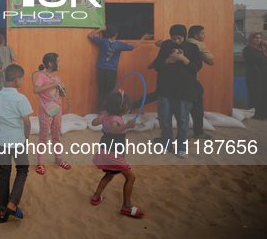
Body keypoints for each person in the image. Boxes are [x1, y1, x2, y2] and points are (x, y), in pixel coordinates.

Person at [0, 64, 33, 223]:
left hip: (2, 139)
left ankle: (2, 210)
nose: (22, 81)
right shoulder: (21, 98)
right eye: (22, 79)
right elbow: (27, 124)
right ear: (17, 80)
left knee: (4, 172)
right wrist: (26, 139)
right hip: (18, 140)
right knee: (22, 169)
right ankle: (12, 203)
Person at [91, 91, 144, 218]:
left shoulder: (106, 116)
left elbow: (93, 123)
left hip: (104, 150)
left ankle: (96, 196)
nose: (129, 107)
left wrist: (103, 116)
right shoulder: (117, 119)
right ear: (121, 107)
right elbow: (113, 130)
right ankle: (126, 206)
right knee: (130, 177)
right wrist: (127, 126)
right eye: (127, 105)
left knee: (109, 174)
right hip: (113, 154)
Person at [153, 24, 202, 158]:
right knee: (166, 118)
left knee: (183, 119)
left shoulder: (192, 47)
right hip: (166, 88)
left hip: (185, 90)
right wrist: (167, 61)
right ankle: (166, 145)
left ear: (184, 36)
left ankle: (181, 148)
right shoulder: (166, 46)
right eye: (174, 38)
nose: (177, 41)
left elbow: (196, 67)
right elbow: (157, 66)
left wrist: (183, 59)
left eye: (179, 38)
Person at [88, 25, 152, 112]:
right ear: (116, 34)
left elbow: (90, 36)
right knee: (110, 91)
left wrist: (101, 29)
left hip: (102, 69)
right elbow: (133, 47)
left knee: (101, 90)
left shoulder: (103, 41)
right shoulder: (119, 45)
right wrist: (142, 38)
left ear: (106, 34)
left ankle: (100, 108)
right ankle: (109, 110)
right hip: (112, 71)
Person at [33, 53, 71, 175]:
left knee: (56, 135)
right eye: (58, 61)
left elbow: (60, 95)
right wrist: (52, 84)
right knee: (43, 137)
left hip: (57, 111)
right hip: (46, 112)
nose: (60, 64)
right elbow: (36, 90)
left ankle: (58, 158)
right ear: (50, 64)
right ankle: (40, 163)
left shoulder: (58, 78)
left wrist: (63, 88)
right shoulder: (42, 76)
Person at [186, 25, 215, 138]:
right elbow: (211, 62)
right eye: (203, 33)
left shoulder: (178, 42)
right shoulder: (199, 45)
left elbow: (158, 43)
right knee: (197, 108)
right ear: (196, 35)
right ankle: (198, 132)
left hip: (177, 81)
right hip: (192, 81)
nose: (205, 35)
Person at [243, 32, 267, 120]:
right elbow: (260, 60)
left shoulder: (265, 49)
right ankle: (258, 114)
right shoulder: (248, 49)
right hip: (256, 76)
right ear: (251, 39)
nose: (258, 40)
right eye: (256, 38)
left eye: (260, 38)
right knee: (257, 93)